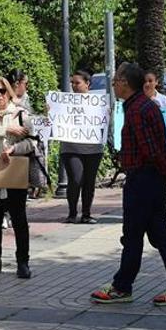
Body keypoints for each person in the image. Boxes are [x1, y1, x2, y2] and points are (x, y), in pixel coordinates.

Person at [90, 62, 166, 306]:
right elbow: (161, 145)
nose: (113, 84)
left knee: (134, 234)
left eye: (116, 80)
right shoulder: (145, 106)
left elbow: (149, 149)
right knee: (159, 233)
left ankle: (122, 287)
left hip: (143, 180)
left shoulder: (137, 109)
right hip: (152, 178)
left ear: (125, 83)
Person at [0, 77, 35, 279]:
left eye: (2, 91)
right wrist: (8, 129)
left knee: (19, 219)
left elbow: (32, 142)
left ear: (9, 92)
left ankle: (23, 262)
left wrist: (14, 148)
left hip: (13, 172)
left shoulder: (21, 114)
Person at [60, 70, 104, 224]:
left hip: (93, 148)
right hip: (71, 147)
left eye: (77, 83)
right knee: (75, 179)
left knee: (89, 181)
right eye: (72, 83)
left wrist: (107, 113)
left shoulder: (98, 102)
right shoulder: (64, 102)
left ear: (87, 84)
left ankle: (86, 213)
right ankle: (72, 213)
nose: (74, 86)